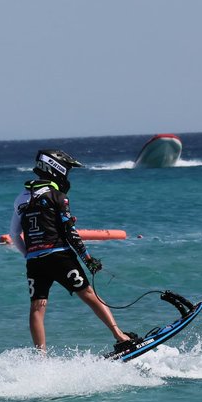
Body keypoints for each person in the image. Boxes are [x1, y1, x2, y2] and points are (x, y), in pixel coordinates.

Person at [9, 149, 136, 353]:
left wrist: (29, 255)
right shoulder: (58, 196)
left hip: (34, 261)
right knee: (88, 294)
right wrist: (88, 259)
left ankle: (41, 359)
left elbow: (14, 234)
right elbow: (70, 232)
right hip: (59, 255)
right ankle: (120, 337)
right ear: (56, 169)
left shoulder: (21, 197)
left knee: (37, 308)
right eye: (67, 169)